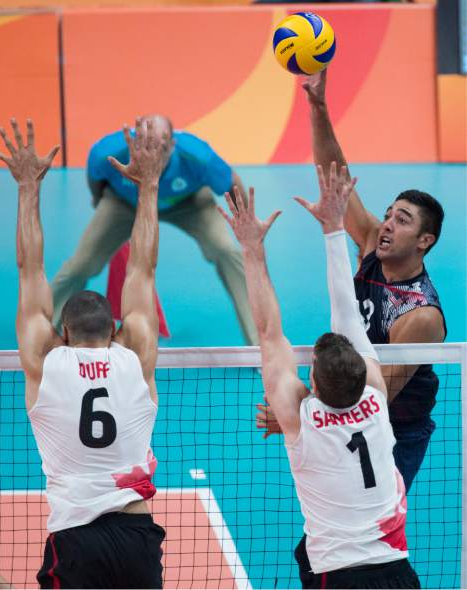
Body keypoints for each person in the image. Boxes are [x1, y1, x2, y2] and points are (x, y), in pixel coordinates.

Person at [218, 163, 420, 589]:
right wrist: (333, 227)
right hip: (398, 573)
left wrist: (252, 248)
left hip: (339, 577)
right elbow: (347, 311)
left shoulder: (301, 420)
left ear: (312, 387)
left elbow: (268, 332)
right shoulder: (376, 400)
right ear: (362, 375)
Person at [0, 117, 166, 589]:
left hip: (75, 539)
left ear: (61, 333)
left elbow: (30, 269)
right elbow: (144, 270)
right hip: (136, 534)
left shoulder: (45, 364)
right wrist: (148, 187)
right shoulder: (135, 359)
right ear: (115, 329)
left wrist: (28, 187)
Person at [257, 70, 446, 493]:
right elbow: (333, 173)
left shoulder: (420, 315)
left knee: (373, 526)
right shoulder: (369, 243)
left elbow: (375, 399)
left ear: (424, 241)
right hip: (351, 409)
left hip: (394, 431)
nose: (387, 225)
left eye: (402, 221)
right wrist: (318, 109)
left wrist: (297, 410)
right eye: (389, 214)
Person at [51, 114, 259, 346]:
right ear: (133, 141)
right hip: (125, 202)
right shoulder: (108, 153)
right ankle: (44, 332)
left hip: (187, 202)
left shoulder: (197, 156)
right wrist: (100, 199)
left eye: (159, 147)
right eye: (144, 144)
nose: (152, 153)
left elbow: (232, 182)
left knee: (226, 250)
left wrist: (246, 224)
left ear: (172, 144)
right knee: (82, 264)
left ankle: (259, 344)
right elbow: (96, 178)